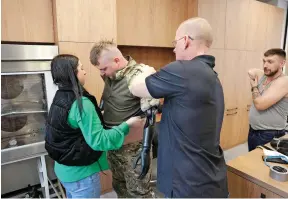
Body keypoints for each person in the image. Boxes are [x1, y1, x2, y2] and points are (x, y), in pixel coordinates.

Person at [129, 17, 228, 198]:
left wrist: (145, 72)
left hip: (187, 184)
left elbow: (137, 88)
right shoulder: (211, 75)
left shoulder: (182, 70)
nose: (174, 48)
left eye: (175, 42)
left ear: (186, 41)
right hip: (210, 178)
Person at [44, 54, 144, 198]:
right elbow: (100, 141)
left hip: (64, 171)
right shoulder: (81, 103)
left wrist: (98, 115)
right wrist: (127, 125)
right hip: (82, 175)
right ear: (73, 73)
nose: (85, 72)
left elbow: (72, 126)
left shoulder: (59, 96)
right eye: (81, 68)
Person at [89, 41, 159, 198]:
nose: (103, 73)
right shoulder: (110, 75)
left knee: (139, 193)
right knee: (120, 187)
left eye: (104, 68)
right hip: (113, 146)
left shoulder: (140, 75)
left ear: (116, 60)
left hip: (133, 150)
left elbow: (153, 106)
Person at [248, 48, 288, 151]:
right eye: (264, 61)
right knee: (251, 163)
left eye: (270, 62)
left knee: (261, 165)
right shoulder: (265, 77)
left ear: (282, 63)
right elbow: (251, 71)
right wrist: (263, 73)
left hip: (269, 133)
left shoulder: (285, 81)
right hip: (254, 130)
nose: (265, 65)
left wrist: (254, 87)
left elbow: (260, 105)